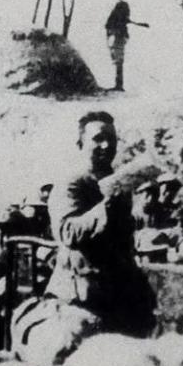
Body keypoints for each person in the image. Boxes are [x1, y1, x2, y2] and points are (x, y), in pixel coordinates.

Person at [45, 111, 155, 336]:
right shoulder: (71, 183)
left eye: (112, 139)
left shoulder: (118, 182)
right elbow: (67, 232)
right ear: (81, 143)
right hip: (80, 295)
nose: (107, 145)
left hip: (116, 292)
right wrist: (106, 207)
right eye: (98, 139)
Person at [104, 0, 148, 91]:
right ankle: (118, 84)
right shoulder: (119, 6)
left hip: (119, 34)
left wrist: (113, 29)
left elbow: (120, 20)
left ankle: (119, 85)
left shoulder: (122, 5)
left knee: (118, 59)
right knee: (116, 58)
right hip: (116, 34)